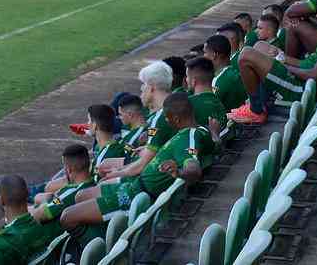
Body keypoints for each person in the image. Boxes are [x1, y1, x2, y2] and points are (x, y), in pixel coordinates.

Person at [59, 93, 206, 230]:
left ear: (176, 119)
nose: (165, 121)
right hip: (136, 184)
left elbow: (193, 168)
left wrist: (178, 172)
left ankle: (98, 245)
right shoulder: (197, 132)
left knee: (67, 216)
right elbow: (209, 144)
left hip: (136, 193)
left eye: (167, 118)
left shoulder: (189, 137)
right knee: (81, 196)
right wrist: (215, 135)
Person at [230, 0, 317, 124]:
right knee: (260, 46)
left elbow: (314, 75)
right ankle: (262, 100)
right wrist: (283, 58)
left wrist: (283, 65)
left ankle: (256, 111)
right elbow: (311, 63)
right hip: (302, 75)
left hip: (302, 88)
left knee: (245, 55)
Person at [97, 61, 175, 182]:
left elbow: (143, 164)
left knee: (86, 192)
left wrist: (117, 173)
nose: (142, 88)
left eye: (144, 84)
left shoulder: (160, 117)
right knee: (105, 166)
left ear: (151, 87)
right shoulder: (174, 105)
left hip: (151, 176)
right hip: (159, 166)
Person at [31, 144, 94, 225]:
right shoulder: (95, 183)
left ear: (69, 169)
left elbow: (40, 215)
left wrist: (44, 200)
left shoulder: (67, 195)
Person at [204, 35, 247, 111]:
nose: (204, 56)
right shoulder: (233, 72)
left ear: (214, 55)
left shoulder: (221, 79)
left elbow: (209, 108)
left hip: (228, 121)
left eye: (205, 52)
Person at [185, 56, 228, 132]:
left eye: (187, 76)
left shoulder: (189, 104)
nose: (186, 80)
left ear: (194, 81)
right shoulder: (218, 102)